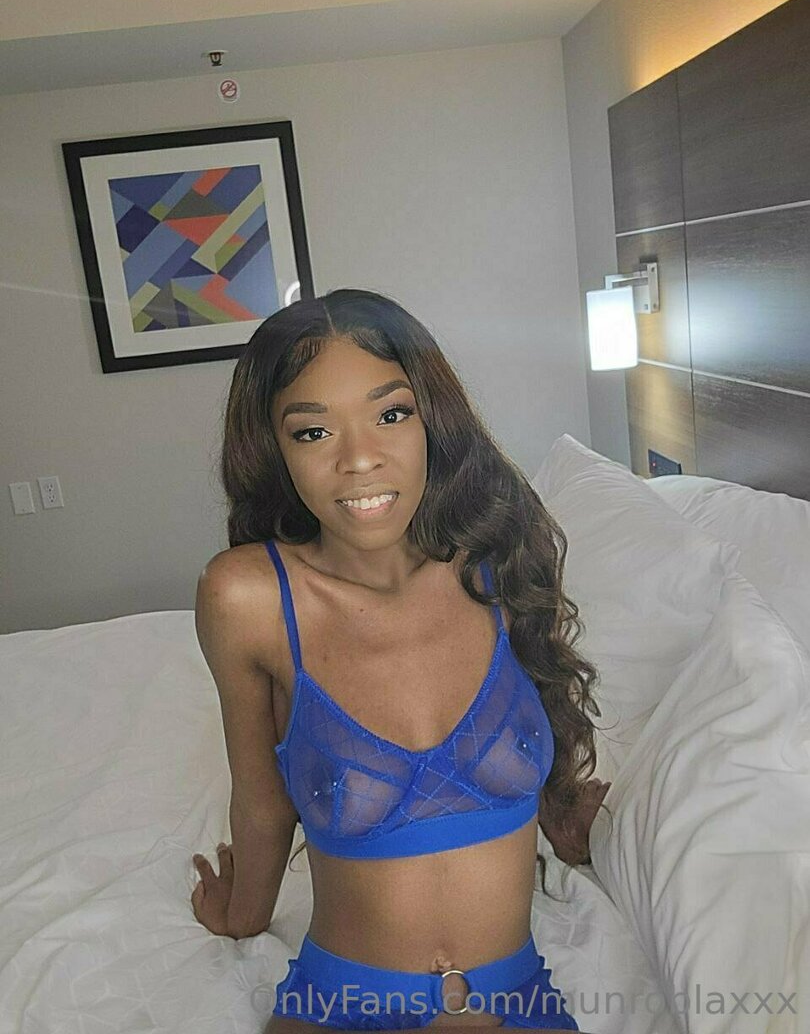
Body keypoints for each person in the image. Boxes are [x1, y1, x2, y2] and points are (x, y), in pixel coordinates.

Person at [191, 289, 611, 1032]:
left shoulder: (500, 559)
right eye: (314, 431)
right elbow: (261, 800)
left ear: (432, 422)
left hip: (514, 1001)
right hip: (341, 1003)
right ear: (275, 450)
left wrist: (563, 816)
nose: (359, 459)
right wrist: (240, 917)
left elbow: (544, 691)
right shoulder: (249, 598)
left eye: (390, 415)